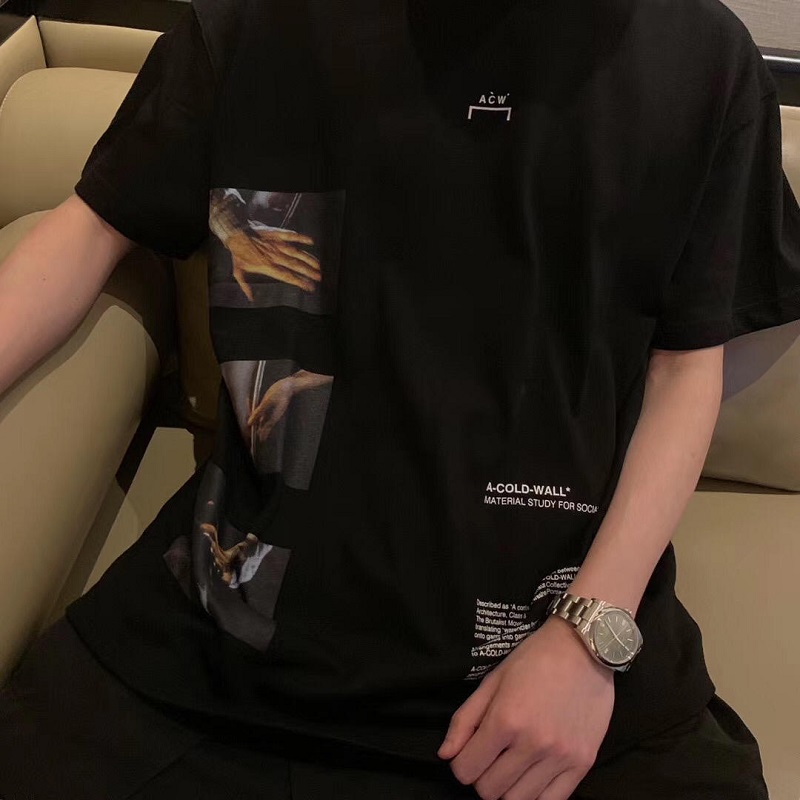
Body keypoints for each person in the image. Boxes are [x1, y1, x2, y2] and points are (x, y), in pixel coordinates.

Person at [1, 0, 799, 797]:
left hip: (550, 651)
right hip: (234, 643)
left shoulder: (701, 61)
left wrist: (589, 636)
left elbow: (684, 371)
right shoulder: (257, 25)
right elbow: (90, 229)